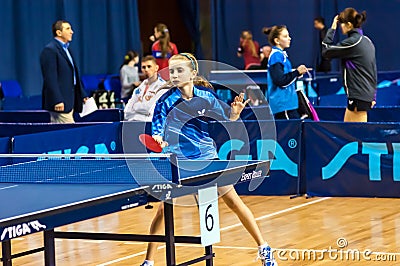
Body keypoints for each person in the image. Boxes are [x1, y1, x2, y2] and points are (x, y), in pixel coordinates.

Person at [140, 53, 277, 266]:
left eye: (179, 70)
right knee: (163, 210)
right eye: (172, 71)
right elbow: (157, 129)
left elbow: (227, 118)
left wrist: (235, 113)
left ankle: (264, 247)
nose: (174, 75)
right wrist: (158, 139)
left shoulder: (206, 96)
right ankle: (149, 261)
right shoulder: (165, 101)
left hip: (206, 158)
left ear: (192, 73)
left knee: (233, 201)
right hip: (179, 161)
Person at [322, 8, 377, 122]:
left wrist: (332, 28)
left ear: (349, 25)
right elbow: (373, 70)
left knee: (358, 135)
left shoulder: (353, 42)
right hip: (362, 95)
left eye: (341, 23)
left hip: (358, 95)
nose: (340, 26)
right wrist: (373, 96)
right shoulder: (367, 40)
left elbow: (326, 50)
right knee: (348, 133)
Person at [40, 20, 87, 123]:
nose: (72, 32)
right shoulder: (50, 50)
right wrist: (57, 100)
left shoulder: (67, 50)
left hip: (70, 101)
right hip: (60, 103)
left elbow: (73, 75)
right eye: (68, 29)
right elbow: (50, 78)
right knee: (69, 135)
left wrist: (82, 94)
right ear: (59, 32)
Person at [266, 25, 308, 119]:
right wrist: (297, 72)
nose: (289, 38)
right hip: (283, 104)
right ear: (277, 40)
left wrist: (297, 74)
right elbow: (280, 80)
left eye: (288, 35)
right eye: (285, 36)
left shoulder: (281, 55)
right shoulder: (276, 56)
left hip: (288, 104)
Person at [124, 55, 166, 122]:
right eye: (143, 67)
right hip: (133, 124)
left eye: (149, 66)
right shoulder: (139, 89)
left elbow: (152, 111)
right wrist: (142, 112)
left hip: (152, 126)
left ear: (156, 68)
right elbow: (127, 112)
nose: (146, 69)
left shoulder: (163, 87)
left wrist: (136, 107)